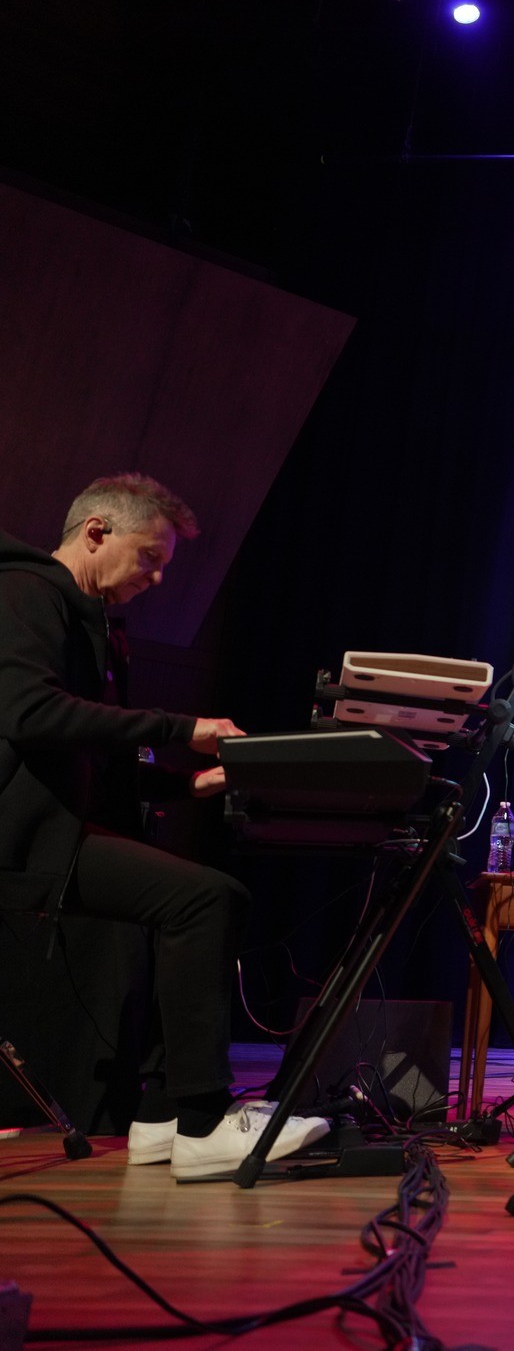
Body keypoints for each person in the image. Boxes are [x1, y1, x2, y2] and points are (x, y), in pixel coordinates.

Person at [0, 475, 330, 1178]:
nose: (155, 578)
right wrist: (184, 727)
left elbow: (95, 761)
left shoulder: (91, 622)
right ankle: (203, 1120)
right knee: (207, 898)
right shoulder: (25, 592)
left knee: (181, 905)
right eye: (148, 557)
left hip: (57, 836)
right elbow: (30, 713)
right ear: (97, 531)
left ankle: (159, 1116)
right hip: (21, 843)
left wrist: (189, 783)